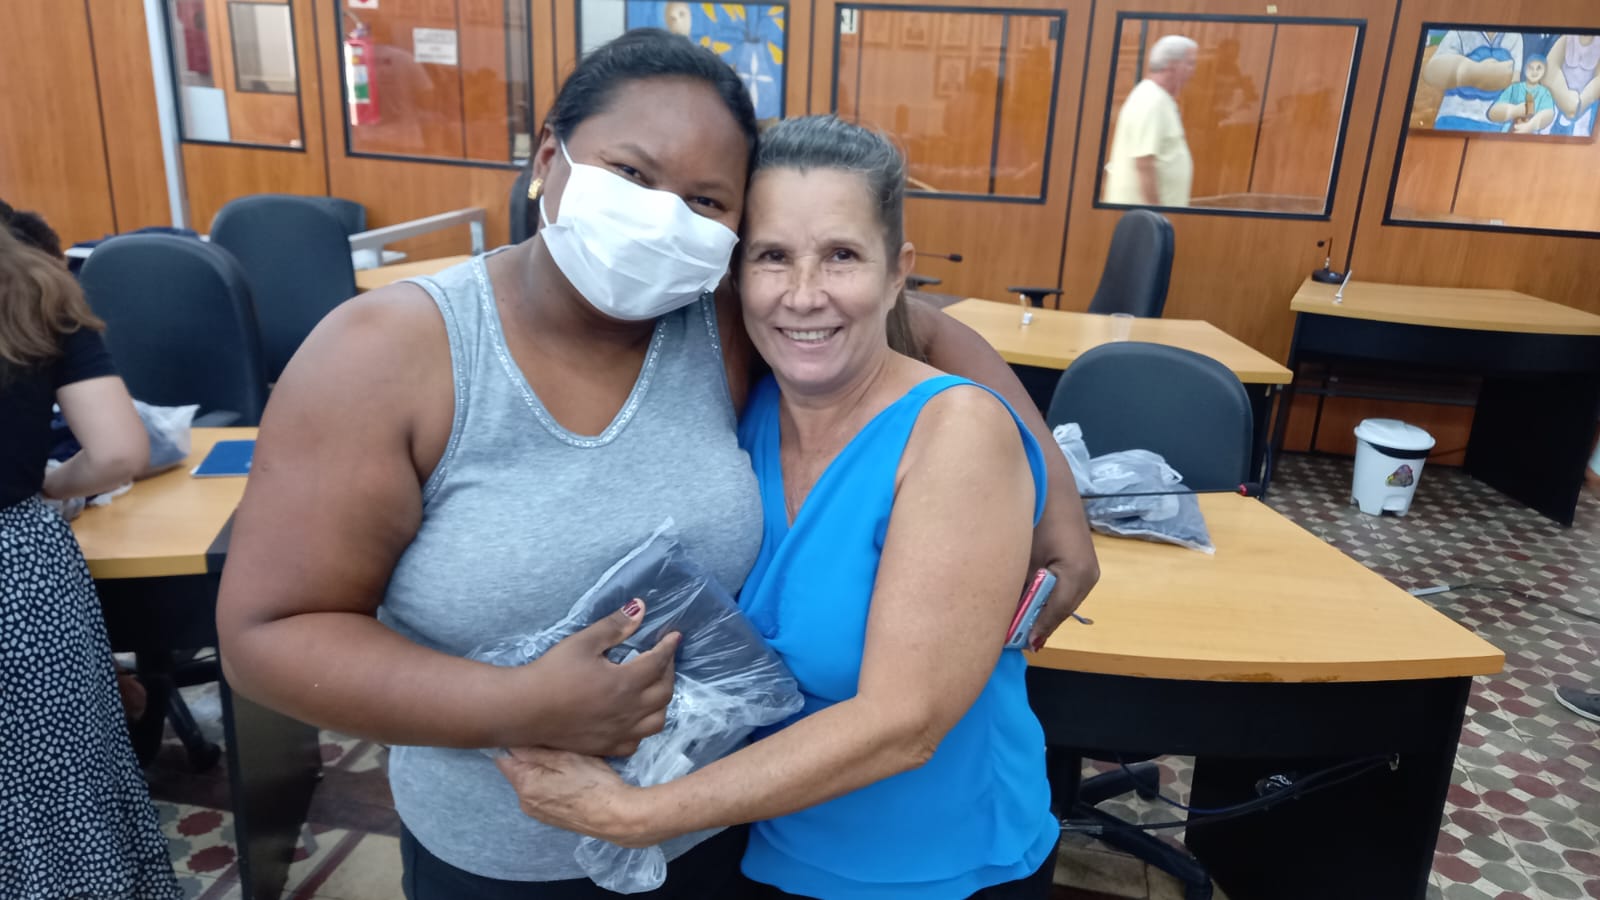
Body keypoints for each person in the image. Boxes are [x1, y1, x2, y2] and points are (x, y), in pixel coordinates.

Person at [215, 30, 1096, 898]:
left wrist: (1051, 491)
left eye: (707, 202)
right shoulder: (389, 355)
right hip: (503, 860)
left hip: (716, 841)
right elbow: (269, 635)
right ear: (548, 157)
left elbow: (909, 323)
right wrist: (521, 705)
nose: (661, 219)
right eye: (631, 174)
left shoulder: (710, 318)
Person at [497, 115, 1058, 900]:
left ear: (897, 273)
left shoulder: (956, 434)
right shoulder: (741, 411)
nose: (803, 294)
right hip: (759, 846)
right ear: (734, 274)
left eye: (841, 256)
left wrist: (634, 814)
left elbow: (907, 723)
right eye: (772, 256)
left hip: (933, 869)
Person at [0, 209, 179, 898]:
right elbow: (118, 452)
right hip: (18, 568)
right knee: (63, 786)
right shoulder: (31, 284)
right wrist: (48, 484)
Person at [1103, 34, 1197, 207]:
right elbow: (1144, 163)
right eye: (1190, 63)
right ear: (1172, 65)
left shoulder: (1159, 98)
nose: (1193, 71)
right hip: (1142, 216)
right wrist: (1155, 213)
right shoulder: (1151, 100)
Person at [1423, 30, 1522, 131]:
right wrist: (1473, 72)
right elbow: (1432, 72)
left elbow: (1515, 82)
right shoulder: (1460, 32)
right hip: (1453, 115)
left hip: (1495, 124)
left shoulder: (1514, 36)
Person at [1545, 33, 1600, 137]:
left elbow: (1598, 80)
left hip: (1584, 107)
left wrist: (1581, 103)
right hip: (1558, 101)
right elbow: (1550, 67)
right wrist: (1564, 97)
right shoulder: (1566, 39)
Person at [1488, 53, 1556, 134]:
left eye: (1539, 68)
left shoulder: (1544, 93)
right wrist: (1515, 110)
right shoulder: (1514, 88)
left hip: (1532, 136)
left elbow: (1548, 114)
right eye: (1530, 67)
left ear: (1544, 71)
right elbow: (1493, 113)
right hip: (1508, 134)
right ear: (1525, 69)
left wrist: (1530, 125)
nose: (1534, 71)